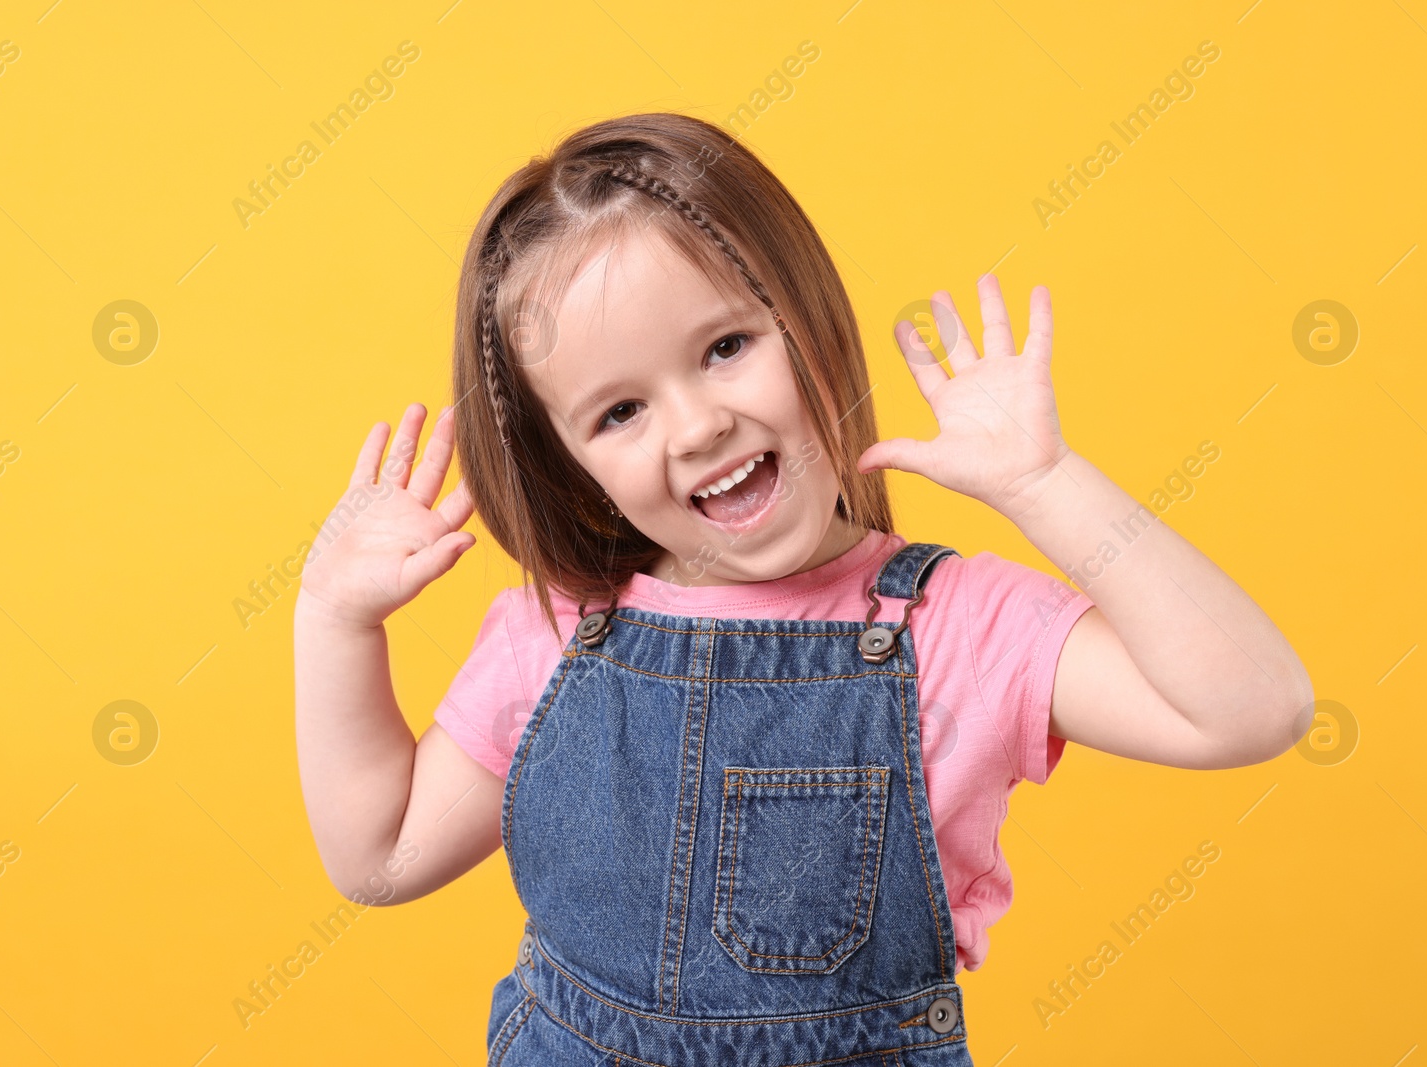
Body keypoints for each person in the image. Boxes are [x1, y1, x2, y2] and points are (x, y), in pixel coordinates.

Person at [294, 111, 1313, 1065]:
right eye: (618, 412)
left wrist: (1046, 486)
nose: (696, 427)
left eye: (726, 347)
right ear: (568, 463)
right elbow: (378, 858)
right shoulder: (550, 638)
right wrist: (334, 619)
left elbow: (1249, 710)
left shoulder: (957, 629)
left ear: (808, 313)